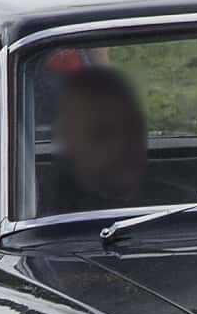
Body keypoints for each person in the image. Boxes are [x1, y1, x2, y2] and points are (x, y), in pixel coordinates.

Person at [48, 66, 149, 213]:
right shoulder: (46, 215)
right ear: (68, 140)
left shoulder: (180, 204)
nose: (123, 144)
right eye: (103, 133)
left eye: (133, 127)